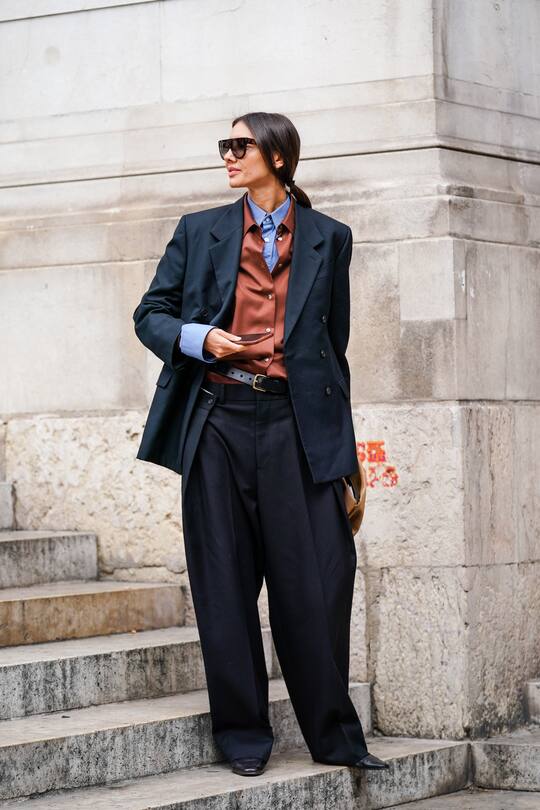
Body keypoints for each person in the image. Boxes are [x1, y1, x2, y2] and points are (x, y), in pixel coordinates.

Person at [132, 111, 389, 777]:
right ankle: (244, 738)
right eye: (227, 145)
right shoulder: (201, 231)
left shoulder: (330, 238)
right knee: (223, 582)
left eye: (240, 145)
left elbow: (333, 355)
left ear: (277, 155)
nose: (228, 155)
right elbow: (151, 314)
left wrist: (345, 459)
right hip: (216, 417)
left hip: (295, 426)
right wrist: (201, 338)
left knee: (321, 581)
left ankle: (336, 738)